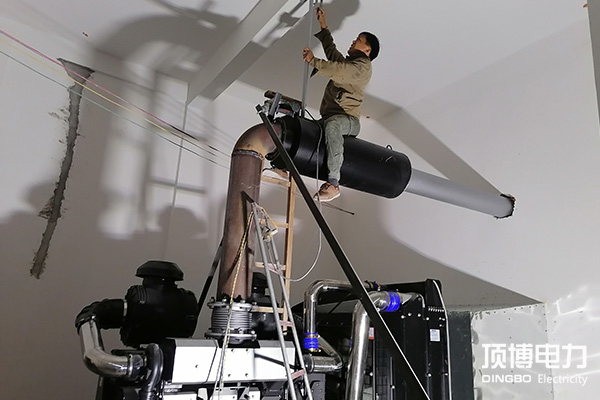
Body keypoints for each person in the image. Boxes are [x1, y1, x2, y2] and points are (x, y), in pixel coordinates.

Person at [302, 7, 379, 202]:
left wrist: (314, 61)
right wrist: (323, 23)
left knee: (333, 125)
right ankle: (283, 166)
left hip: (349, 121)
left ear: (367, 50)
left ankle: (334, 184)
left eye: (358, 40)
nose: (353, 41)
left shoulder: (362, 68)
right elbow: (332, 52)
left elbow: (338, 70)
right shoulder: (351, 64)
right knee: (307, 130)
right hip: (331, 117)